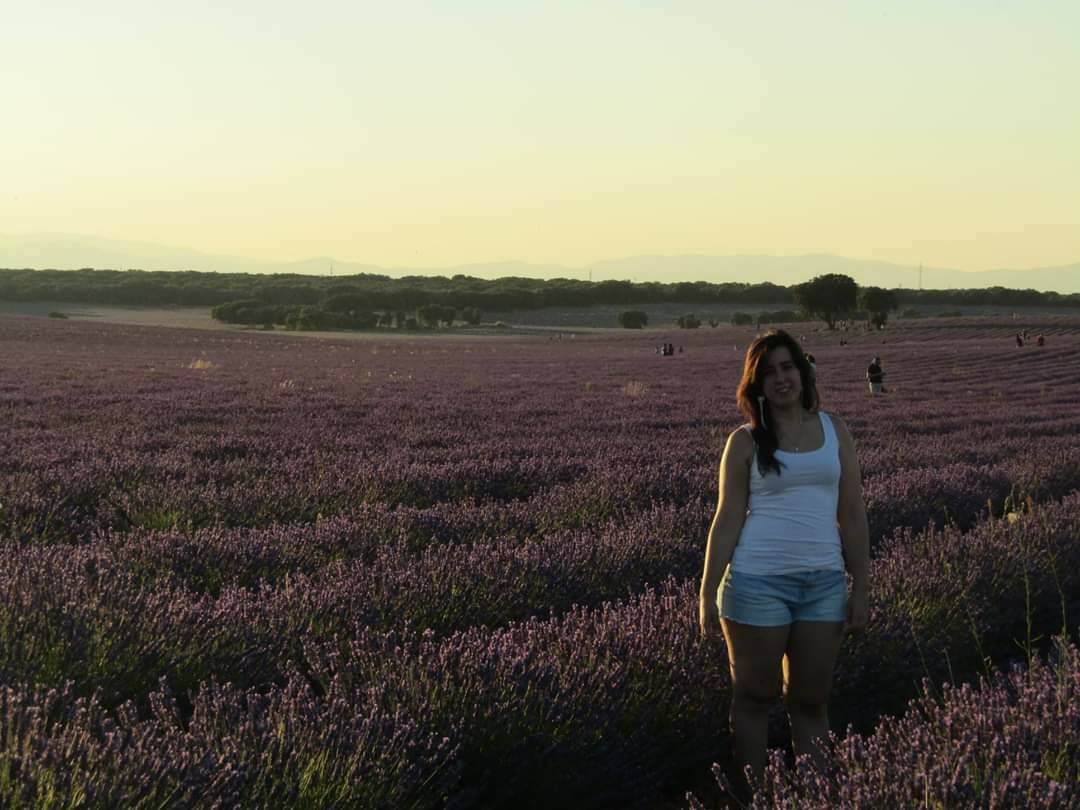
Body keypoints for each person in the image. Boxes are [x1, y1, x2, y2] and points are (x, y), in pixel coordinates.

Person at [698, 329, 870, 797]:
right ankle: (753, 797)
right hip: (756, 583)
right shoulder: (745, 442)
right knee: (754, 697)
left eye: (788, 367)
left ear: (804, 372)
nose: (781, 378)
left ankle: (813, 797)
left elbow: (852, 514)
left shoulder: (835, 431)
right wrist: (708, 592)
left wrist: (863, 587)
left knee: (811, 702)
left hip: (823, 584)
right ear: (756, 385)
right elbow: (727, 518)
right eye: (769, 372)